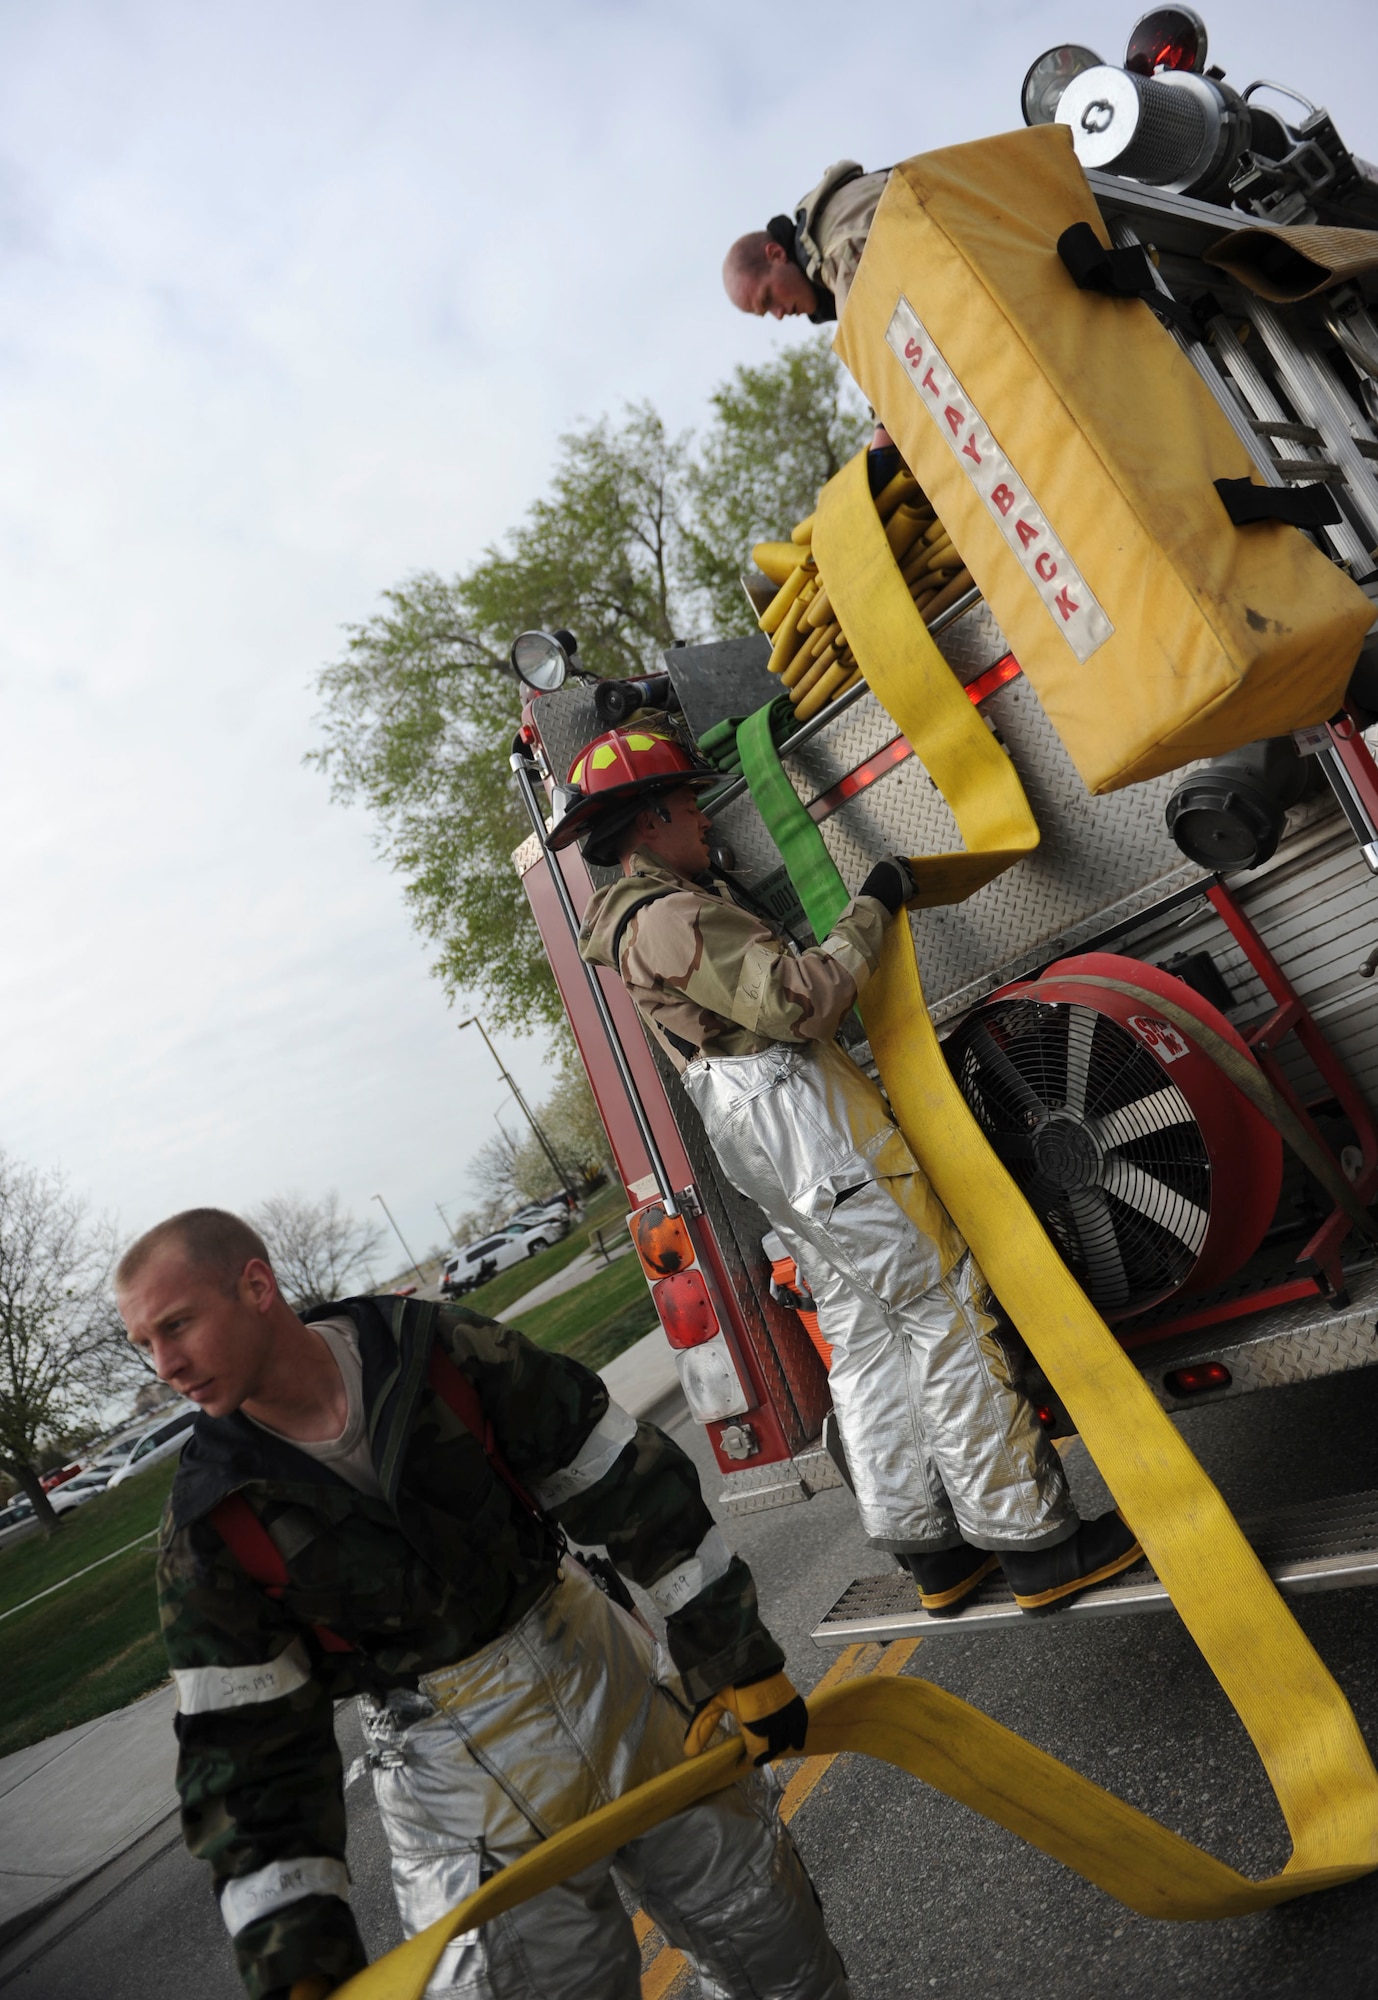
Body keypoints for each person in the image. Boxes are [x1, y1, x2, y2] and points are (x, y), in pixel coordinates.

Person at [119, 1207, 851, 2000]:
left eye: (176, 1325)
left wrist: (735, 1655)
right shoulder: (212, 1525)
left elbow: (623, 1479)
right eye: (144, 1346)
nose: (164, 1365)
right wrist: (296, 1958)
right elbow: (247, 1753)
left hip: (614, 1685)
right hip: (455, 1794)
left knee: (780, 1956)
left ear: (256, 1285)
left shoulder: (435, 1352)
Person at [555, 727, 1144, 1618]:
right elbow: (798, 1001)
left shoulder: (654, 912)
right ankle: (1036, 1545)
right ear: (651, 821)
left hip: (769, 1133)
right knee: (940, 1308)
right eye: (692, 807)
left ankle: (933, 1552)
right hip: (806, 1121)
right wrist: (874, 903)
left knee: (867, 1331)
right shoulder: (670, 916)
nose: (708, 823)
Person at [722, 161, 890, 322]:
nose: (779, 315)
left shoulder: (838, 259)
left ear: (776, 254)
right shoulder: (837, 207)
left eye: (768, 299)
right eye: (767, 312)